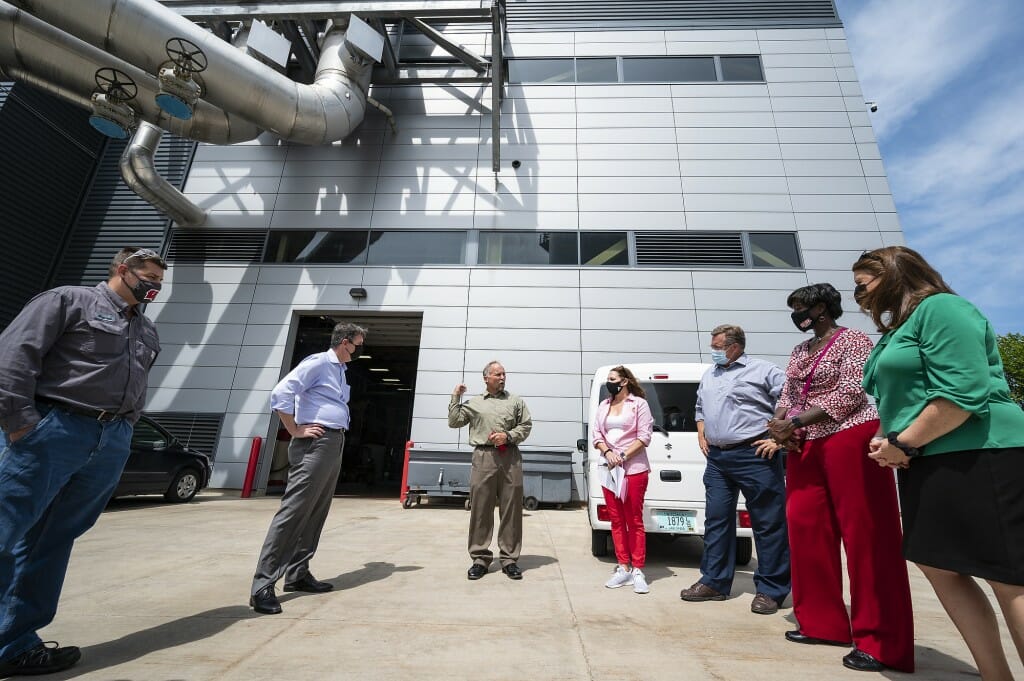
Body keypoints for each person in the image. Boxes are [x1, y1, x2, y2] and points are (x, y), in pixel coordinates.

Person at [853, 246, 1024, 681]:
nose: (859, 295)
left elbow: (963, 391)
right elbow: (897, 398)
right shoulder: (898, 330)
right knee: (939, 566)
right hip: (925, 457)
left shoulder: (944, 309)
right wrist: (886, 438)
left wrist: (904, 443)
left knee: (1008, 576)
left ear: (894, 275)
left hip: (982, 451)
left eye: (863, 284)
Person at [0, 247, 166, 676]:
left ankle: (15, 644)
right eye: (148, 278)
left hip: (110, 439)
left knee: (52, 541)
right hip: (55, 429)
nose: (154, 288)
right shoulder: (67, 301)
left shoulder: (146, 330)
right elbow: (13, 358)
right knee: (5, 529)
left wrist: (125, 431)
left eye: (159, 284)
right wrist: (21, 424)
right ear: (122, 270)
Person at [763, 283, 913, 673]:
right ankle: (821, 622)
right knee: (805, 529)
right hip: (804, 446)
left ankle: (881, 640)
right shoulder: (799, 351)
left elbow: (850, 393)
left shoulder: (854, 341)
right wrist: (781, 425)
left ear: (823, 308)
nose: (797, 316)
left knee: (865, 535)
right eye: (794, 308)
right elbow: (788, 393)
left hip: (849, 436)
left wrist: (794, 421)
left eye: (801, 308)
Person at [250, 322, 368, 615]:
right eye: (358, 344)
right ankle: (263, 585)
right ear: (344, 342)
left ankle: (298, 573)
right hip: (315, 443)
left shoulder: (340, 371)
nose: (359, 349)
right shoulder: (318, 363)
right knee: (294, 511)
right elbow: (280, 394)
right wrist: (294, 429)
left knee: (317, 510)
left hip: (333, 442)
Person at [680, 324, 790, 615]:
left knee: (767, 523)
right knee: (716, 519)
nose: (713, 352)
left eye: (717, 347)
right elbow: (700, 407)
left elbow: (793, 399)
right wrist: (702, 432)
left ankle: (771, 589)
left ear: (735, 346)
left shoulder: (764, 370)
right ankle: (714, 581)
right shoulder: (710, 374)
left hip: (754, 455)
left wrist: (779, 438)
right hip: (718, 458)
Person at [449, 361, 533, 580]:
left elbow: (526, 426)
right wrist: (455, 398)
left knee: (511, 509)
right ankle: (479, 558)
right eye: (497, 374)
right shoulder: (475, 403)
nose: (502, 377)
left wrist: (508, 436)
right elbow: (454, 421)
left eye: (504, 373)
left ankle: (509, 559)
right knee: (481, 508)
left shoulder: (516, 401)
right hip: (483, 457)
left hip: (510, 457)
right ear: (486, 378)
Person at [591, 366, 655, 594]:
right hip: (608, 468)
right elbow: (597, 434)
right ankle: (623, 567)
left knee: (634, 519)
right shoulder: (604, 405)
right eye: (608, 379)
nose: (610, 383)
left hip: (633, 468)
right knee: (616, 520)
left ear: (625, 381)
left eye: (613, 379)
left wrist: (623, 456)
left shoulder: (638, 404)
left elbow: (644, 436)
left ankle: (638, 569)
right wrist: (608, 453)